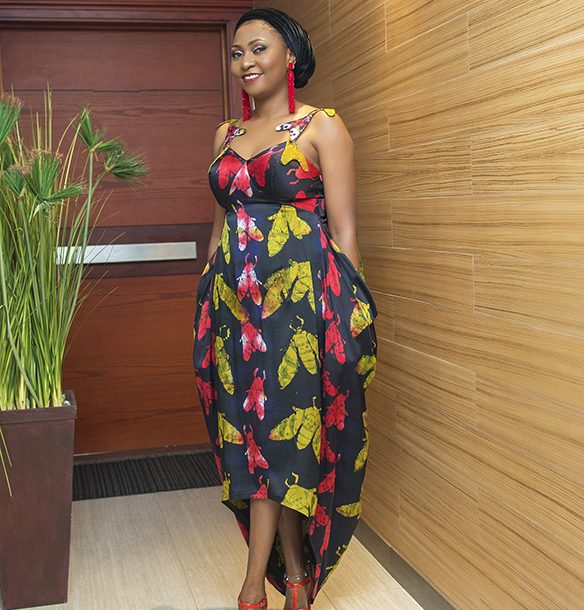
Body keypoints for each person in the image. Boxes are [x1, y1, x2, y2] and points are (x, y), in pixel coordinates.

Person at [192, 7, 378, 610]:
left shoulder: (322, 127)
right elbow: (219, 231)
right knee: (250, 436)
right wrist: (206, 299)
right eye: (237, 52)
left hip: (301, 312)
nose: (245, 62)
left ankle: (253, 586)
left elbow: (345, 236)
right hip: (232, 312)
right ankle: (295, 575)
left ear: (290, 56)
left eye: (259, 49)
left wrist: (349, 320)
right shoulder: (225, 135)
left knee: (282, 436)